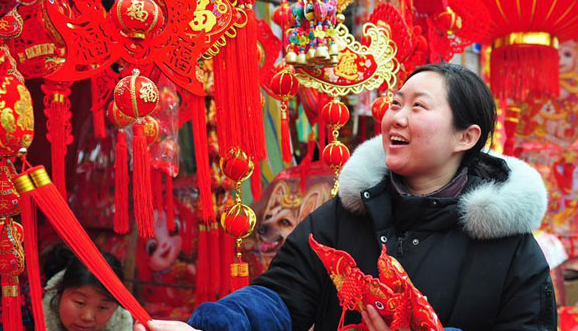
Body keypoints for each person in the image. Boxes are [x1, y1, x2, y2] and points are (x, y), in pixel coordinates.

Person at [135, 63, 556, 331]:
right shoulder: (343, 216)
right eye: (395, 102)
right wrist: (211, 328)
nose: (396, 115)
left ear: (465, 136)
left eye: (419, 106)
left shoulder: (511, 248)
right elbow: (281, 297)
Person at [0, 244, 133, 331]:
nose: (88, 317)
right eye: (80, 302)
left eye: (103, 307)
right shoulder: (16, 316)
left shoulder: (121, 323)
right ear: (59, 291)